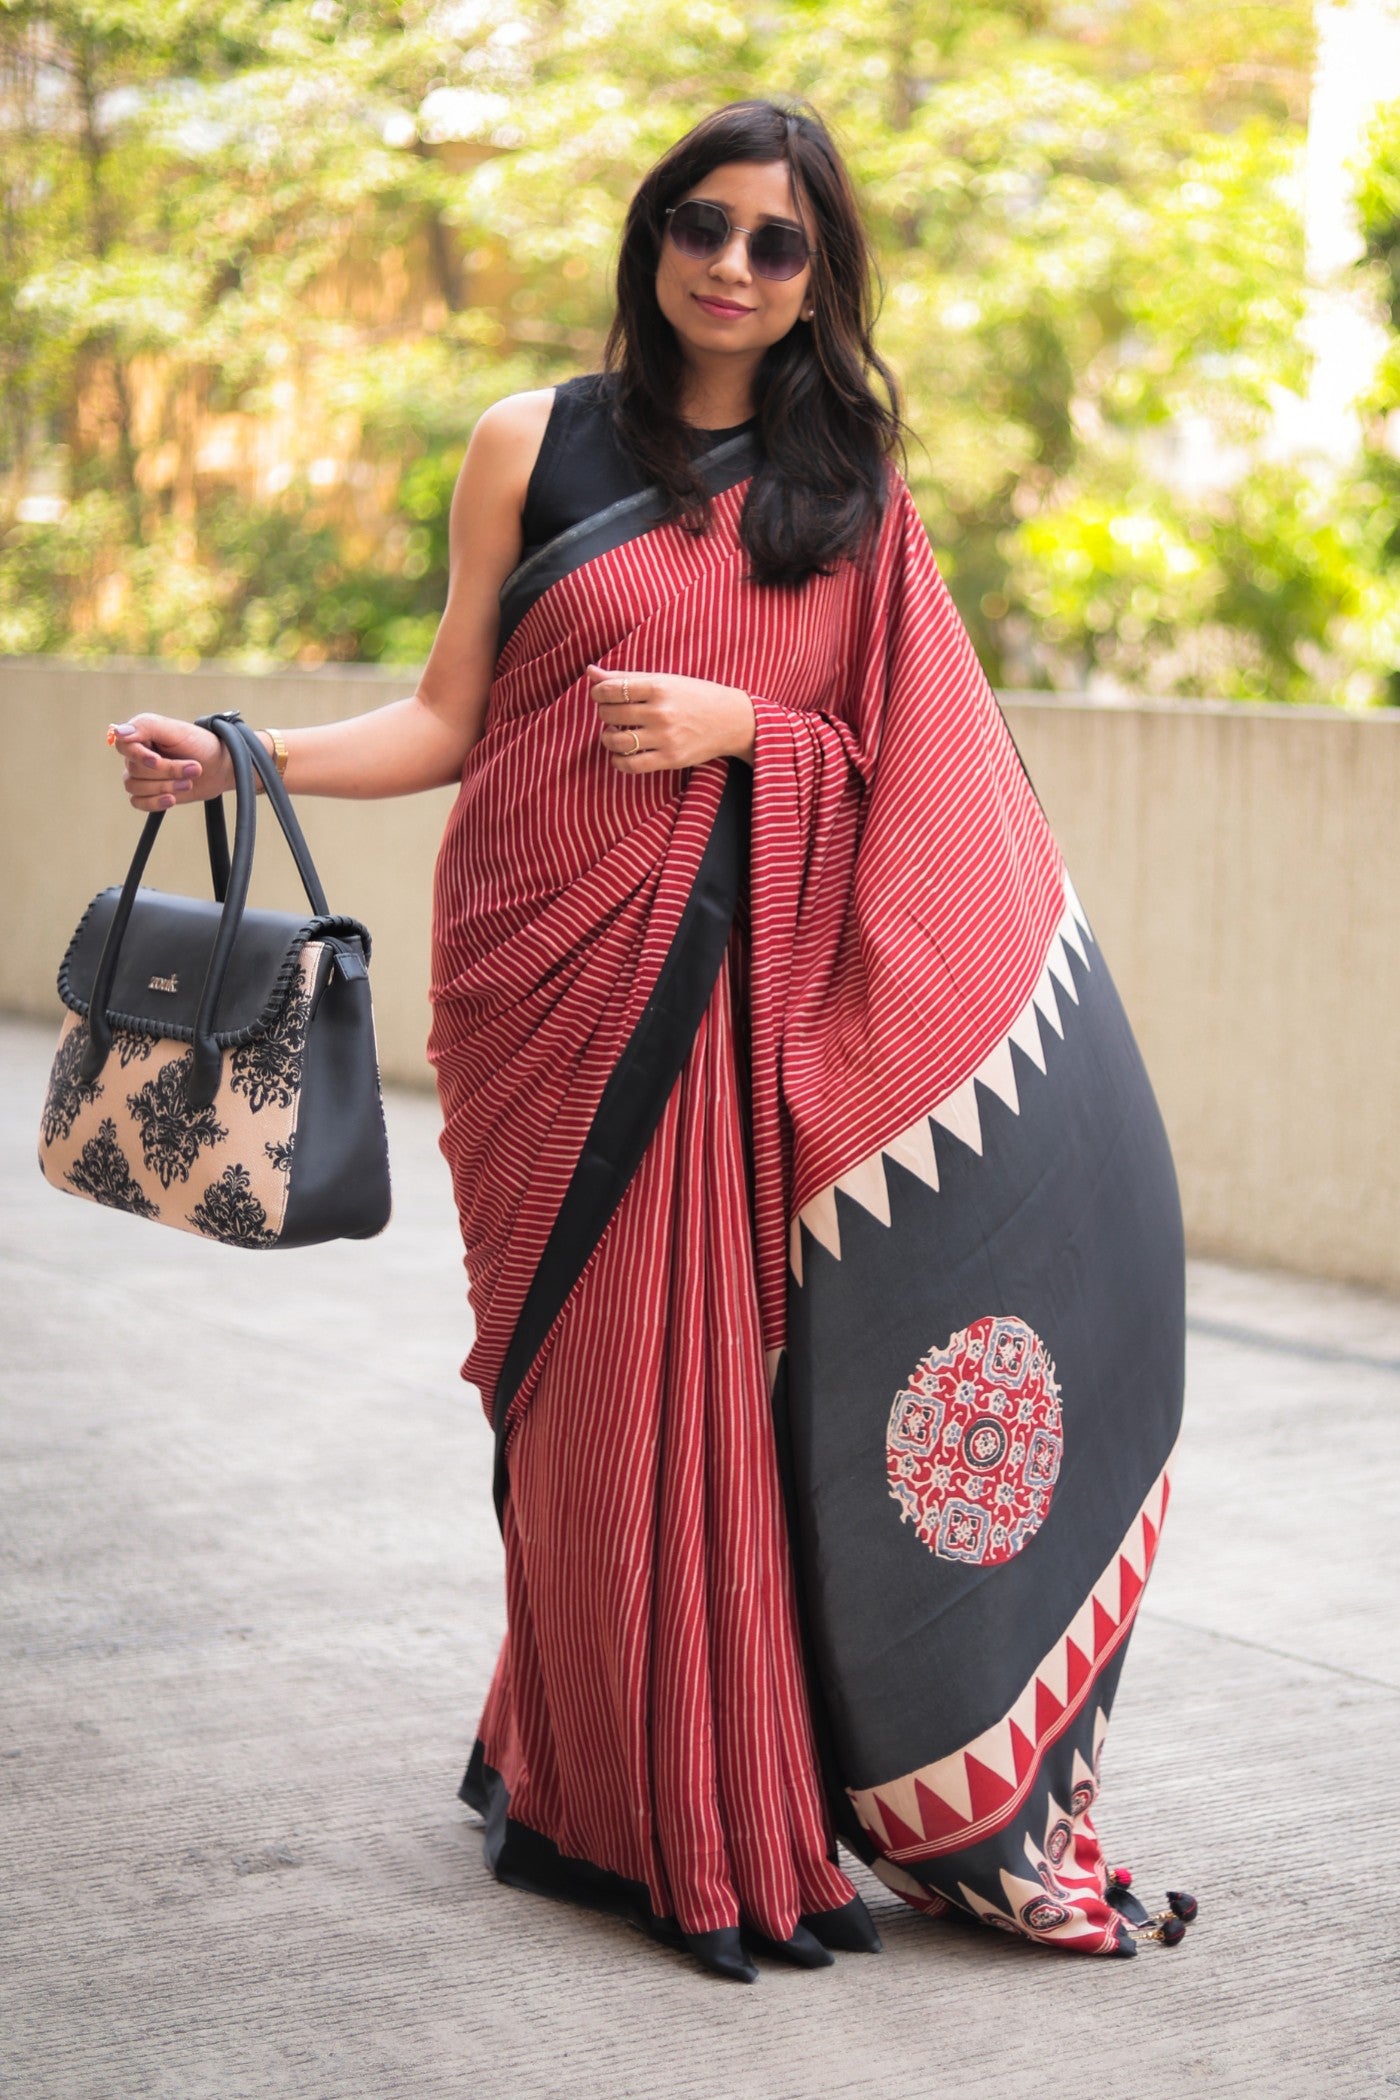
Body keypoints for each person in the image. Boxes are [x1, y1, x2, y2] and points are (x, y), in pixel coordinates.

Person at [108, 97, 1190, 1980]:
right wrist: (240, 755)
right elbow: (449, 716)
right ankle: (586, 1771)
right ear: (652, 235)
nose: (733, 266)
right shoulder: (530, 442)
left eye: (780, 242)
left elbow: (932, 775)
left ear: (820, 279)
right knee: (575, 1399)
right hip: (535, 977)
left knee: (694, 1408)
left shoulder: (851, 491)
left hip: (728, 1006)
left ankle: (662, 1794)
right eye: (704, 224)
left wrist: (748, 732)